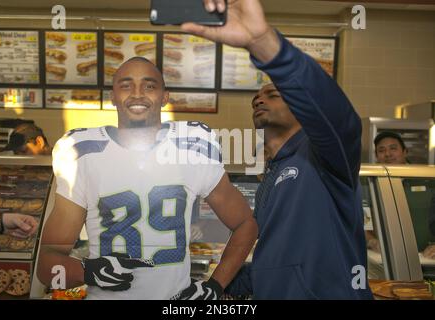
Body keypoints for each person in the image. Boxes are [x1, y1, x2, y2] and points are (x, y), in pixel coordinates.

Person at [180, 0, 373, 299]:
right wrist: (216, 288)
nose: (259, 100)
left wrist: (266, 47)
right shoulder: (273, 174)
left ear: (301, 106)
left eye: (272, 94)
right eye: (256, 97)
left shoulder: (326, 155)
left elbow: (340, 120)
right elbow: (274, 264)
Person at [37, 57, 258, 299]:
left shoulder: (192, 148)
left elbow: (246, 225)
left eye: (149, 86)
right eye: (126, 85)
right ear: (112, 96)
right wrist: (86, 271)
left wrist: (214, 287)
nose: (138, 94)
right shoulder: (83, 154)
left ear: (165, 97)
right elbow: (47, 268)